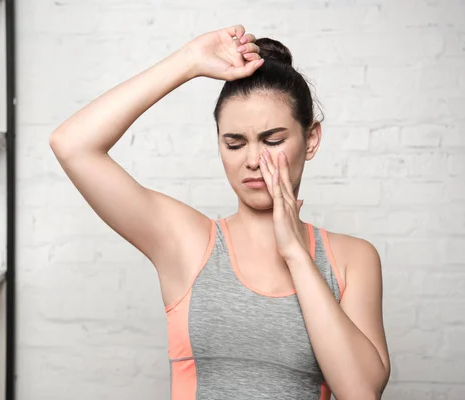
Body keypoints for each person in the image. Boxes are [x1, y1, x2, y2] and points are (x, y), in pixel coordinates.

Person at [49, 25, 390, 400]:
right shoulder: (188, 243)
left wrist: (295, 252)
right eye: (234, 143)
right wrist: (188, 62)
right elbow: (71, 144)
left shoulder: (351, 260)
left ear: (310, 140)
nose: (252, 161)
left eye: (272, 140)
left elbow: (361, 393)